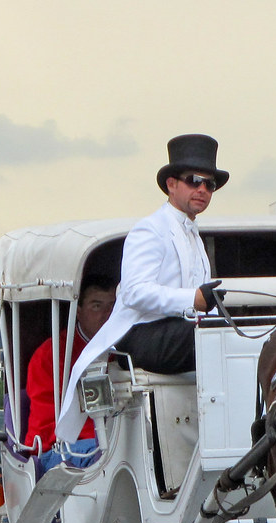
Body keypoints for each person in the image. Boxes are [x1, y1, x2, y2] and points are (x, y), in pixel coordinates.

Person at [56, 134, 228, 446]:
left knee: (237, 333)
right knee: (218, 338)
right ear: (171, 184)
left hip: (177, 331)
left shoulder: (193, 236)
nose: (202, 189)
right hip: (142, 335)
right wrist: (192, 299)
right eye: (194, 181)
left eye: (210, 184)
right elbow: (135, 291)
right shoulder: (150, 229)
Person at [23, 274, 116, 467]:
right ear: (78, 312)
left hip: (112, 439)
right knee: (108, 454)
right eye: (97, 306)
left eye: (112, 306)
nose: (107, 314)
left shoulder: (125, 351)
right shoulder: (51, 355)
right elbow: (51, 423)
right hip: (57, 447)